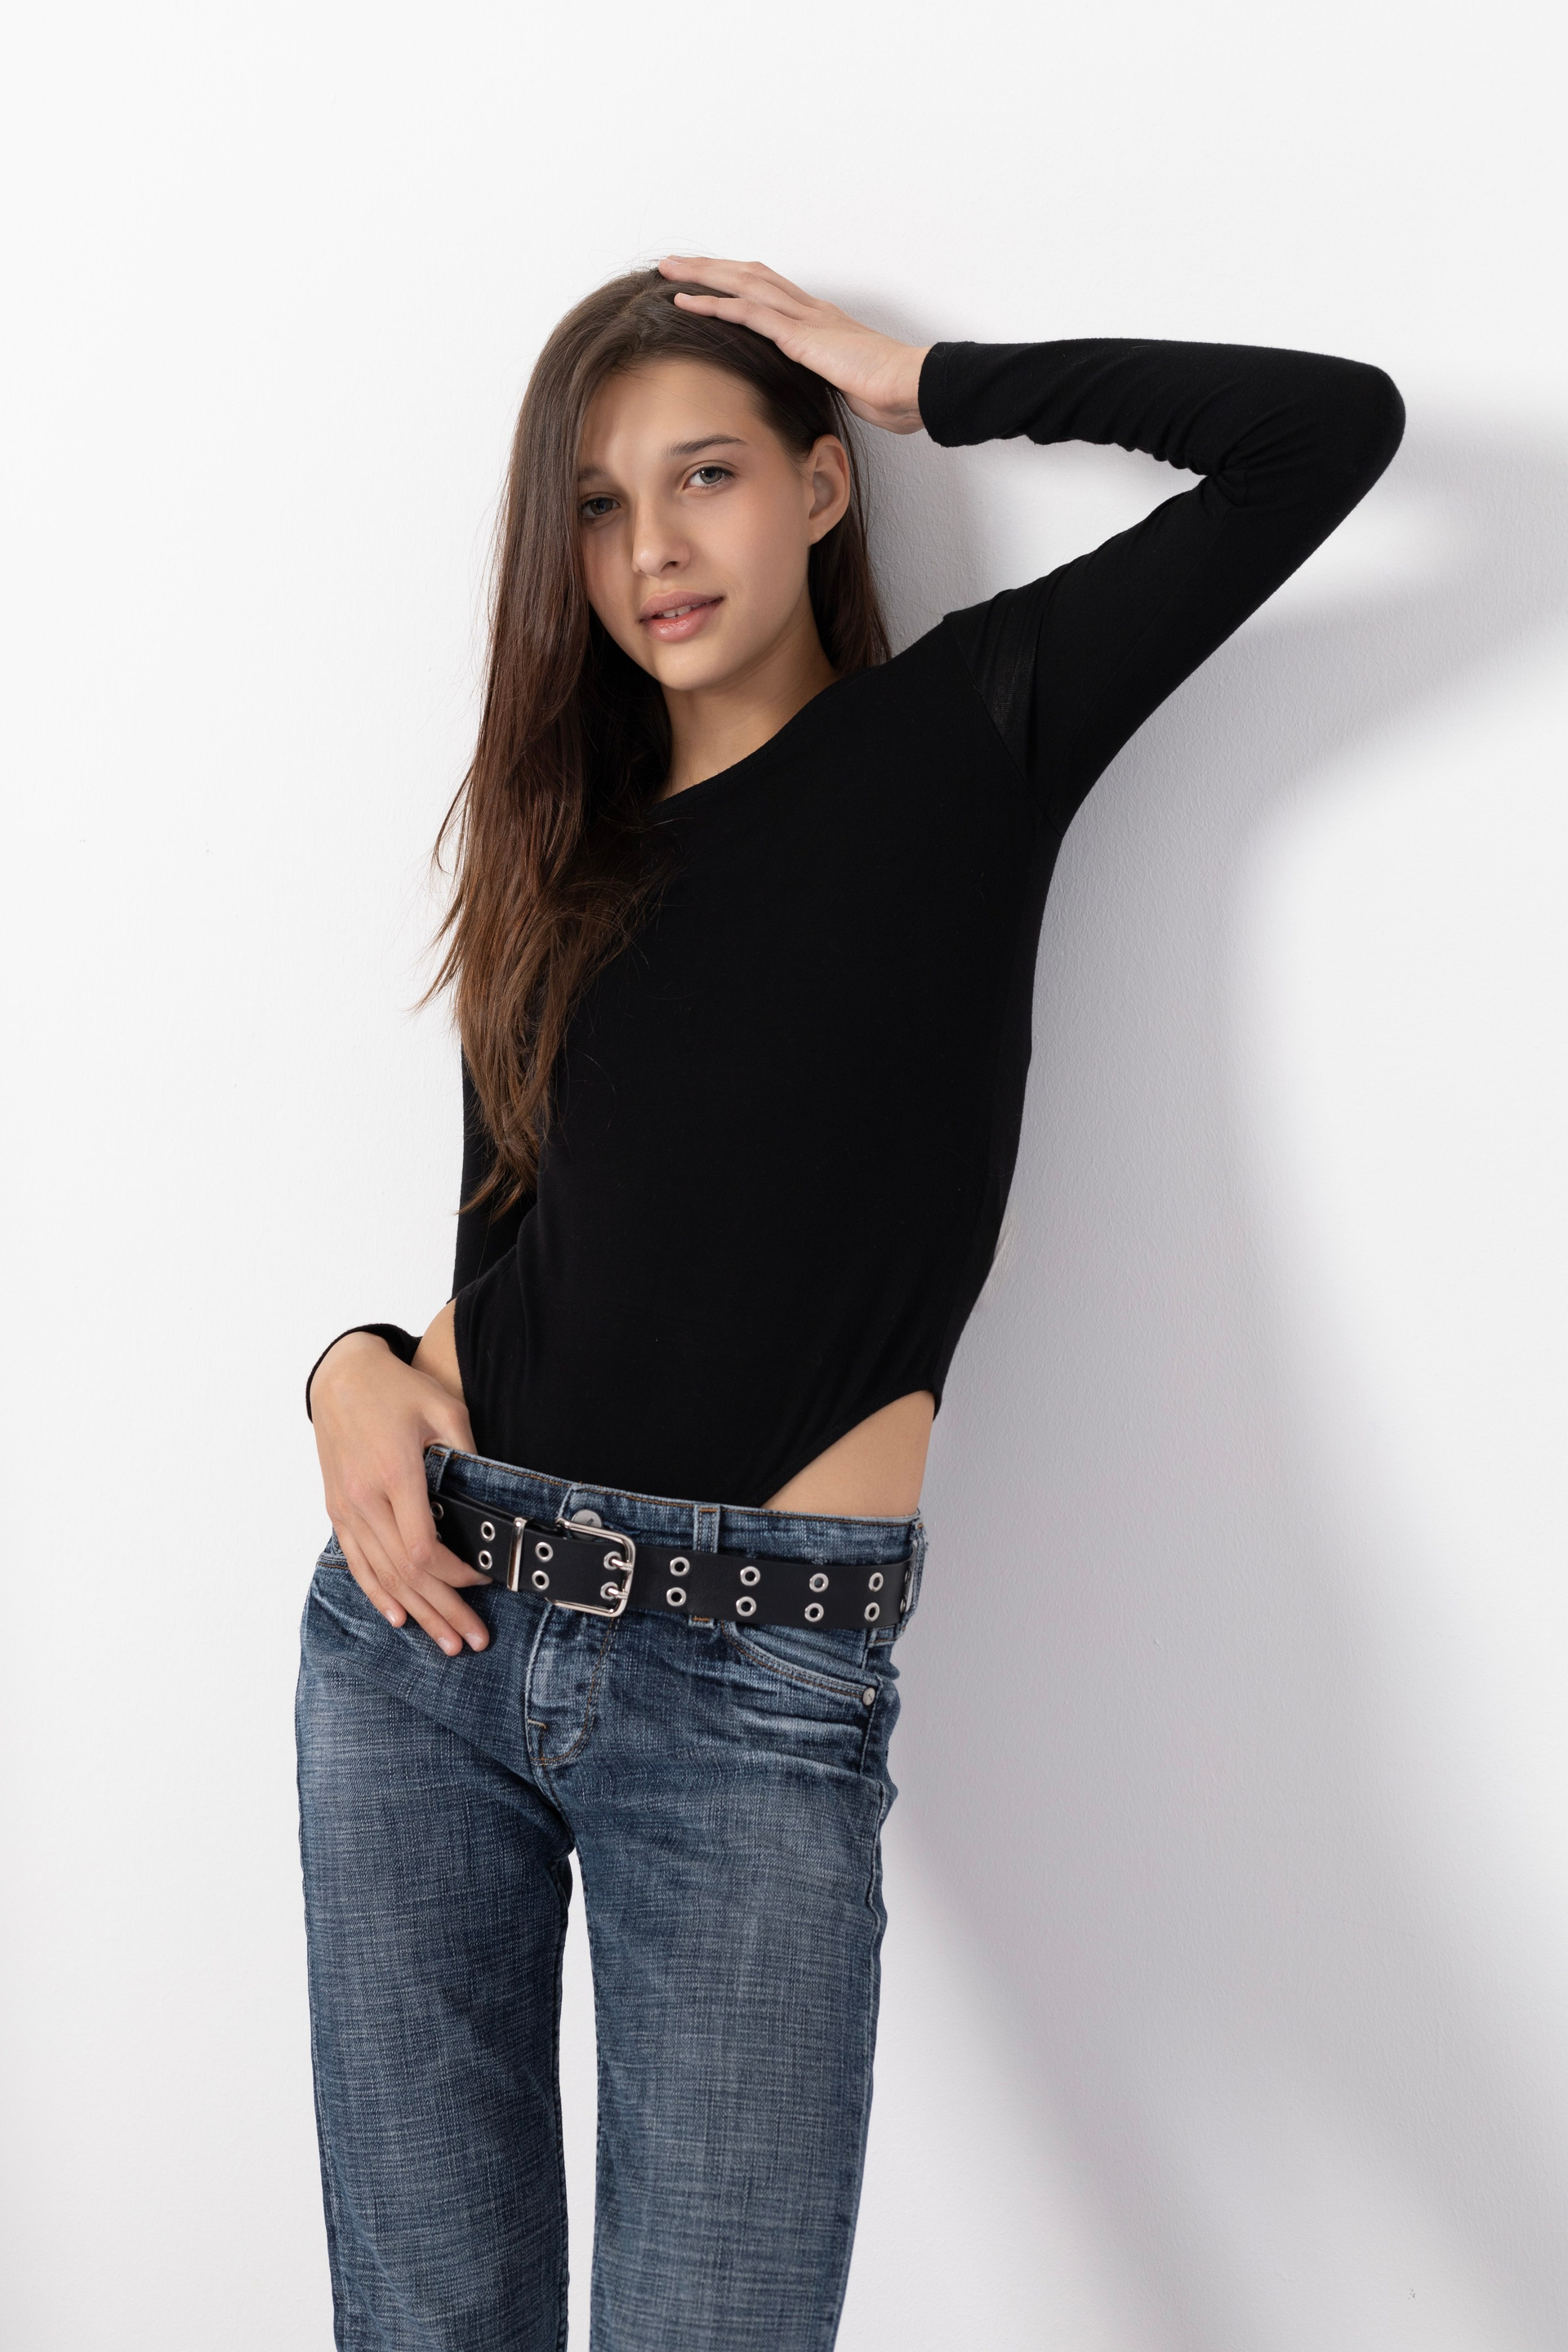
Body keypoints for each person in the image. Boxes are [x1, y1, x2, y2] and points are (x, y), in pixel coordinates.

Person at [297, 256, 1404, 2350]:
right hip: (426, 1639)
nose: (652, 546)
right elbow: (500, 1265)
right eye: (600, 505)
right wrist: (342, 1371)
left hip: (753, 1681)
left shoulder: (968, 731)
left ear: (819, 488)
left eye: (706, 474)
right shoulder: (561, 846)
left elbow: (1321, 431)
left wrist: (926, 381)